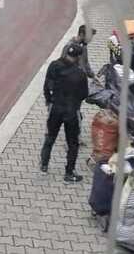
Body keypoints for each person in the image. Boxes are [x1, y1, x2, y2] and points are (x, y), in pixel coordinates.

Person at [40, 43, 88, 182]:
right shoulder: (80, 74)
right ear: (78, 57)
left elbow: (46, 86)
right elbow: (84, 94)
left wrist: (49, 101)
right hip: (71, 112)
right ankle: (69, 173)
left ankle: (44, 165)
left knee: (50, 137)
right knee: (73, 143)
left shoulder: (54, 65)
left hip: (55, 108)